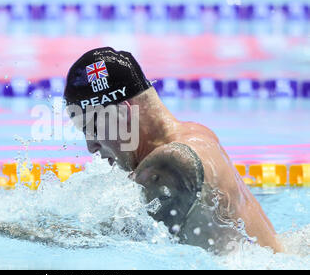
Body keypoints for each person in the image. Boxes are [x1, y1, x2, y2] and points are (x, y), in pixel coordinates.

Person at [63, 47, 283, 253]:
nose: (91, 146)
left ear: (122, 113)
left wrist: (32, 233)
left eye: (91, 128)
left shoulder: (171, 162)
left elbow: (102, 244)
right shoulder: (197, 134)